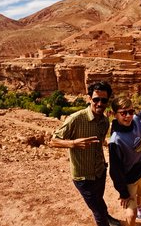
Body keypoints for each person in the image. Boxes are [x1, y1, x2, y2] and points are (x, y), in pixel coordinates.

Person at [49, 81, 121, 226]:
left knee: (99, 201)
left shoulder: (105, 121)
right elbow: (53, 140)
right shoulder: (76, 119)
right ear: (89, 98)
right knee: (98, 212)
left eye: (104, 100)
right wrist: (73, 143)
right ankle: (105, 219)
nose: (100, 103)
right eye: (96, 99)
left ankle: (107, 216)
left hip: (100, 172)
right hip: (83, 177)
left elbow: (100, 141)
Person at [108, 87, 141, 226]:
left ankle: (140, 212)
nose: (128, 116)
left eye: (131, 112)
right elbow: (115, 170)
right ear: (115, 115)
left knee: (139, 195)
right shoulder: (116, 141)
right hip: (129, 178)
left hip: (140, 170)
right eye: (123, 113)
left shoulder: (138, 121)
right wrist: (123, 192)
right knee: (130, 212)